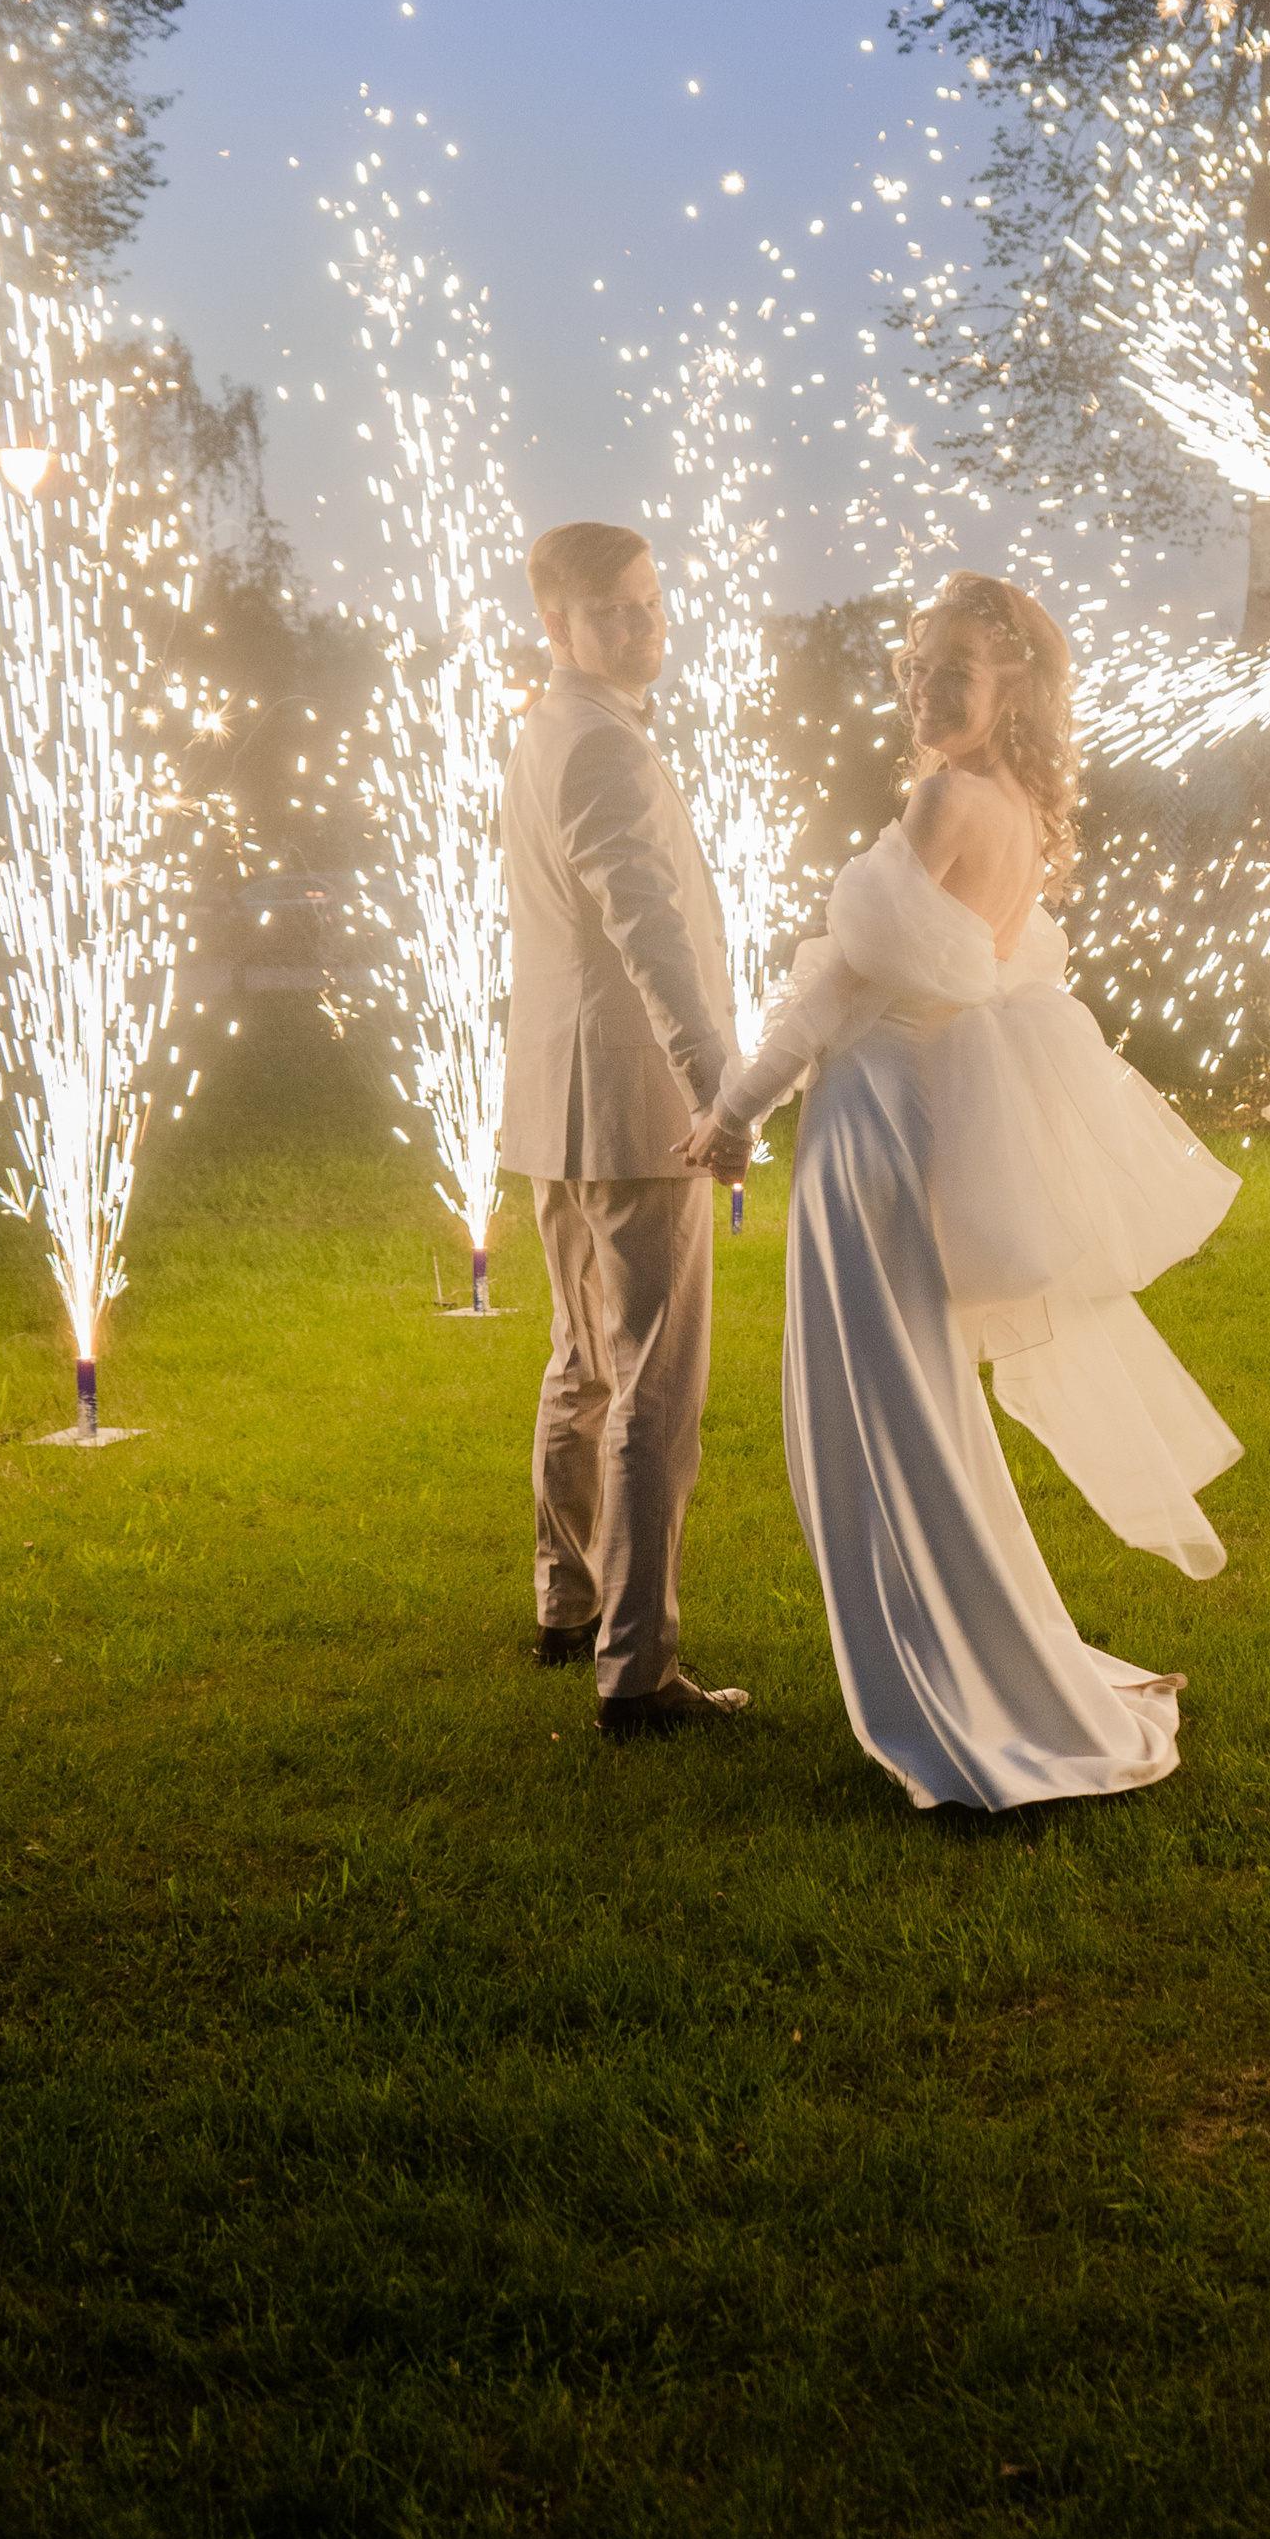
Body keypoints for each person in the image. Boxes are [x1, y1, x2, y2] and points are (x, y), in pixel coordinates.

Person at [681, 570, 1241, 1812]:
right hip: (913, 1109)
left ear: (1009, 689)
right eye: (919, 664)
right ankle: (981, 1653)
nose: (925, 687)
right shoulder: (1019, 808)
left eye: (956, 672)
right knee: (911, 1402)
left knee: (873, 1407)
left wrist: (733, 1110)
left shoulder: (942, 798)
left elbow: (836, 985)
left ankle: (954, 1690)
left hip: (875, 1112)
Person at [499, 519, 752, 1739]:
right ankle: (637, 1668)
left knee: (581, 1361)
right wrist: (716, 1089)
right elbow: (646, 931)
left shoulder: (549, 729)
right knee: (654, 1381)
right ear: (557, 624)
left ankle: (567, 1604)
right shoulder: (600, 748)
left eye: (651, 604)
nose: (645, 627)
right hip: (634, 1104)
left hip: (558, 1105)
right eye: (615, 612)